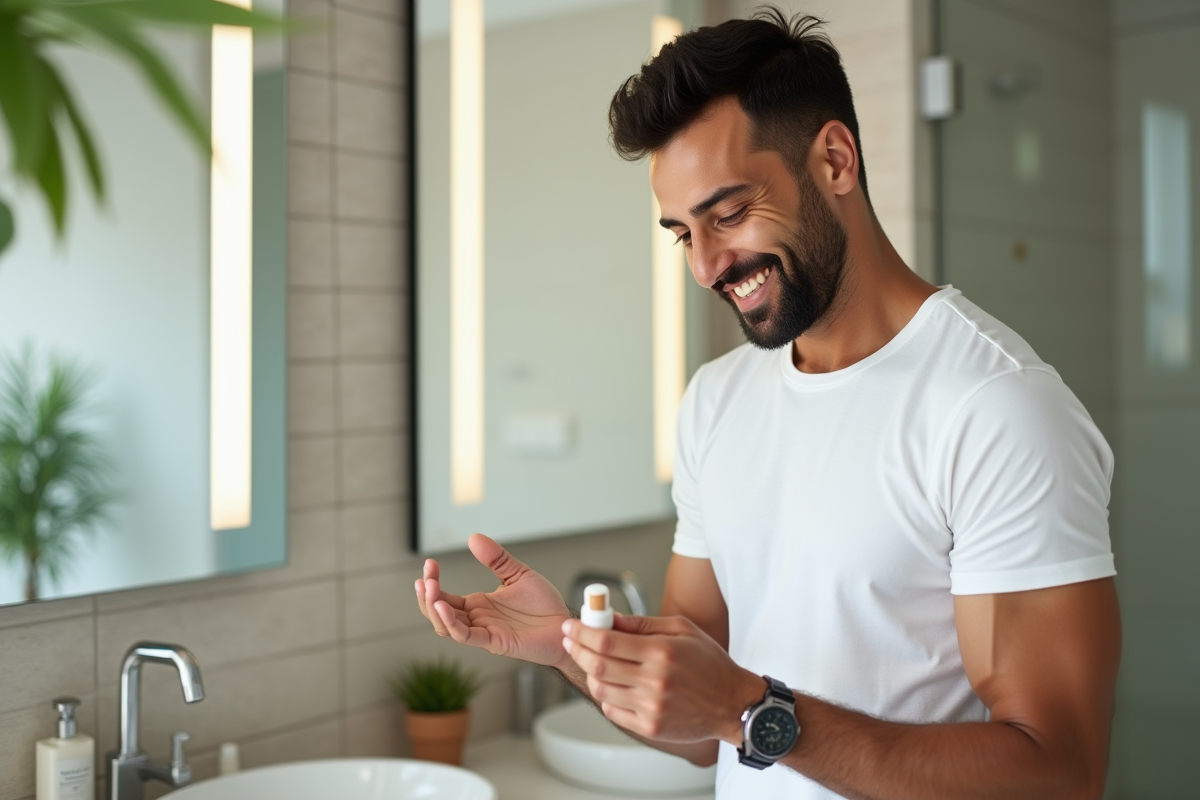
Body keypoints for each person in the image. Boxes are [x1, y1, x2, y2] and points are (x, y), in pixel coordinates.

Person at [415, 9, 1121, 799]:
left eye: (729, 213)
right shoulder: (717, 403)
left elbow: (1059, 771)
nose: (708, 265)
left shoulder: (996, 409)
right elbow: (695, 729)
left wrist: (751, 710)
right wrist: (576, 649)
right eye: (683, 233)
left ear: (835, 160)